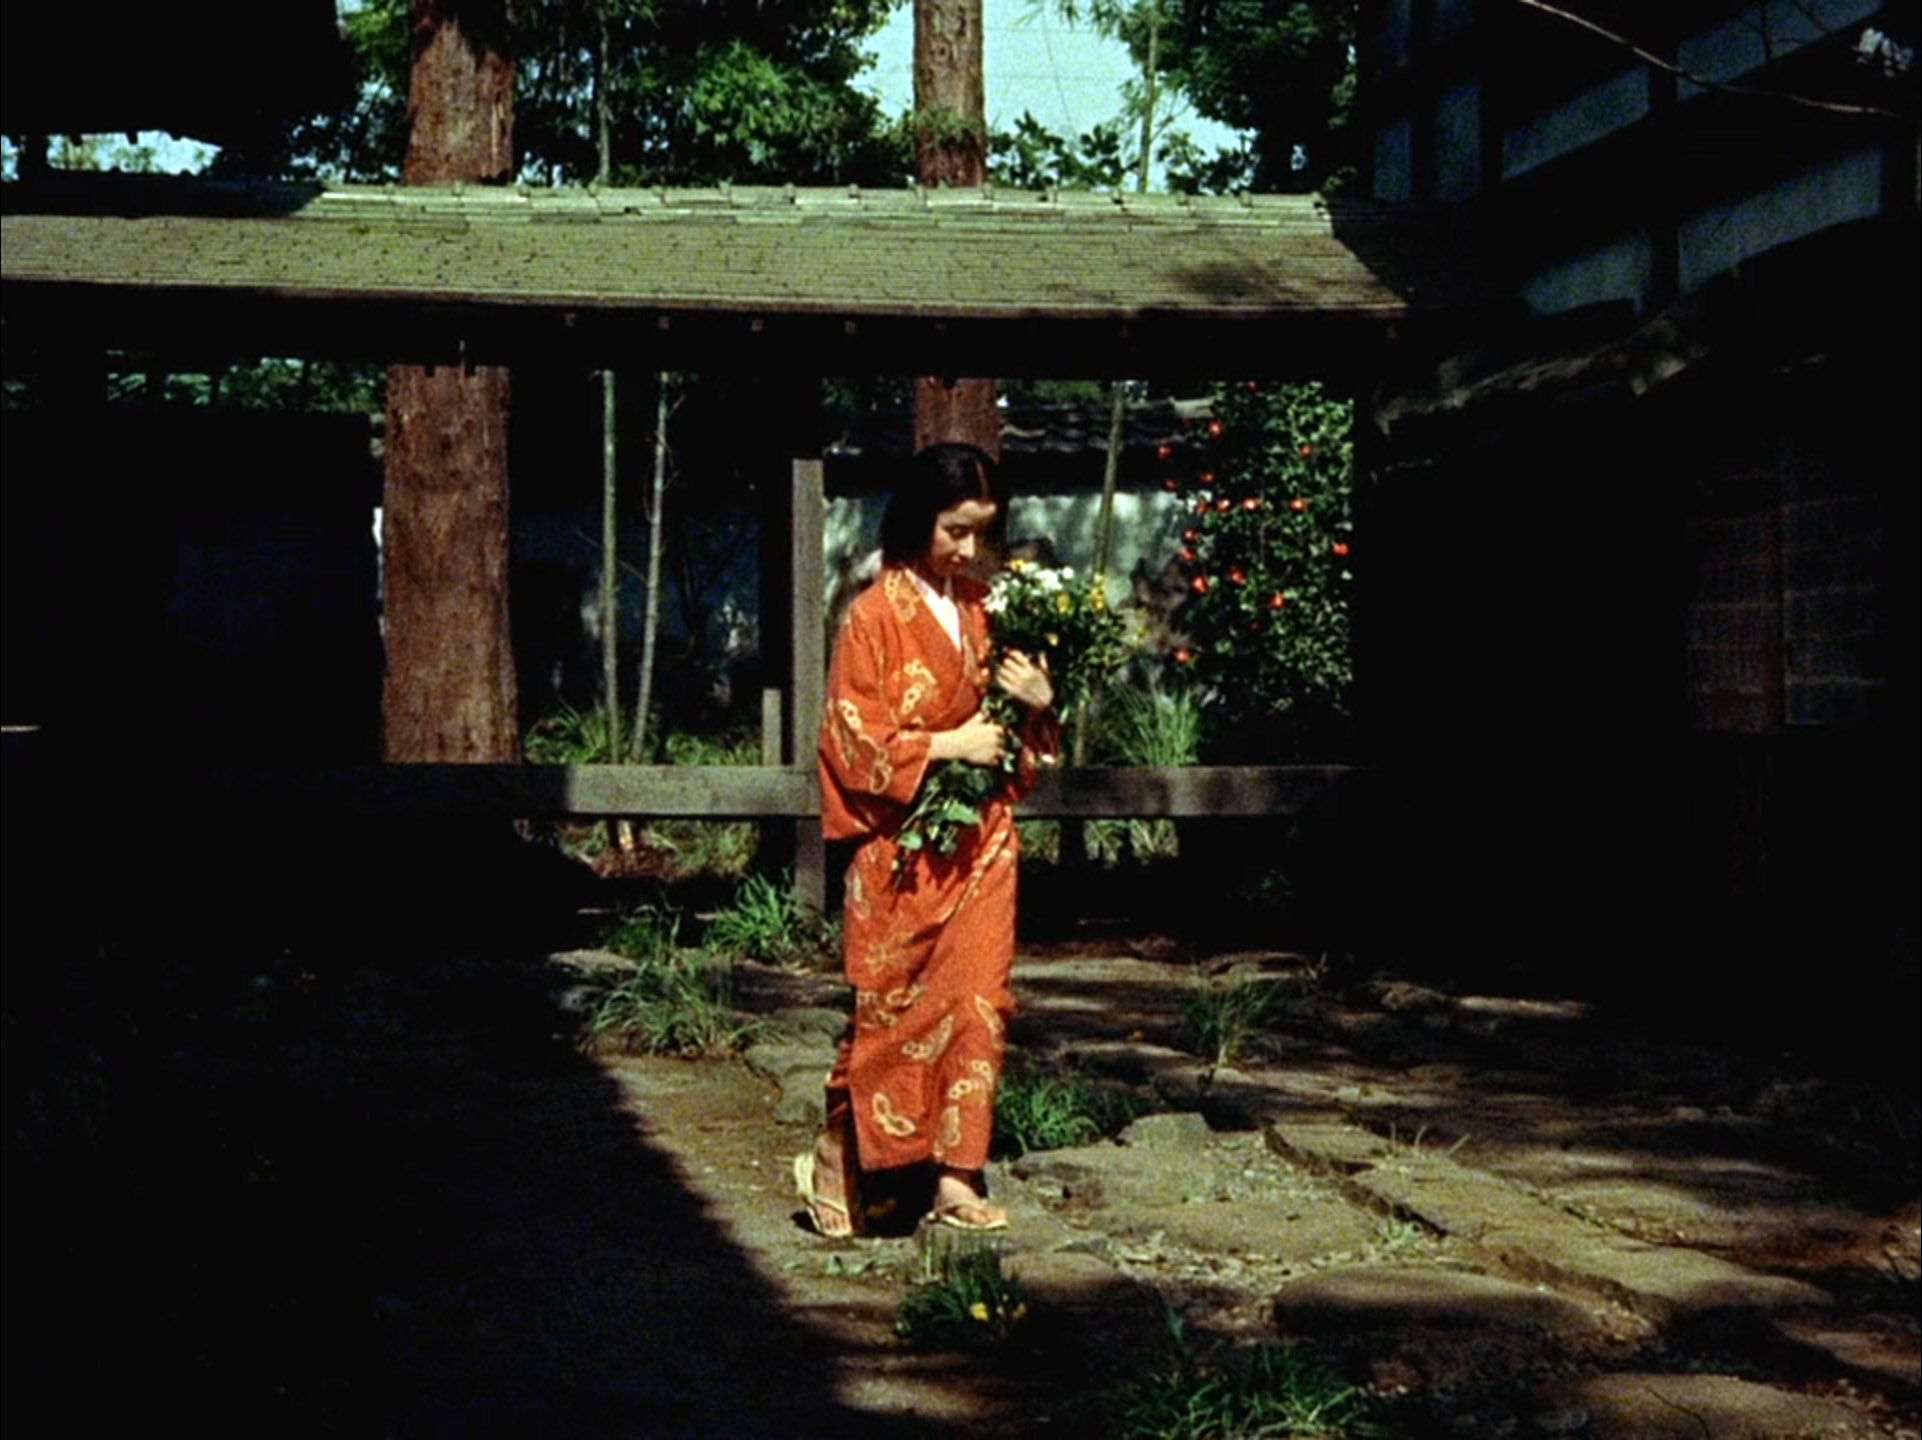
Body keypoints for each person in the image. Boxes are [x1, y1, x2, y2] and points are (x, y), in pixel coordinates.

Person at [794, 443, 1058, 1235]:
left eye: (981, 532)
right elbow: (848, 737)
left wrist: (1041, 699)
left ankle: (955, 1177)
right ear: (917, 519)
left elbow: (1021, 735)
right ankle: (840, 1151)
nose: (968, 550)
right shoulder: (872, 615)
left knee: (979, 1003)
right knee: (891, 1012)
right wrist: (948, 746)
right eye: (954, 530)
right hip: (900, 849)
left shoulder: (989, 609)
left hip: (981, 844)